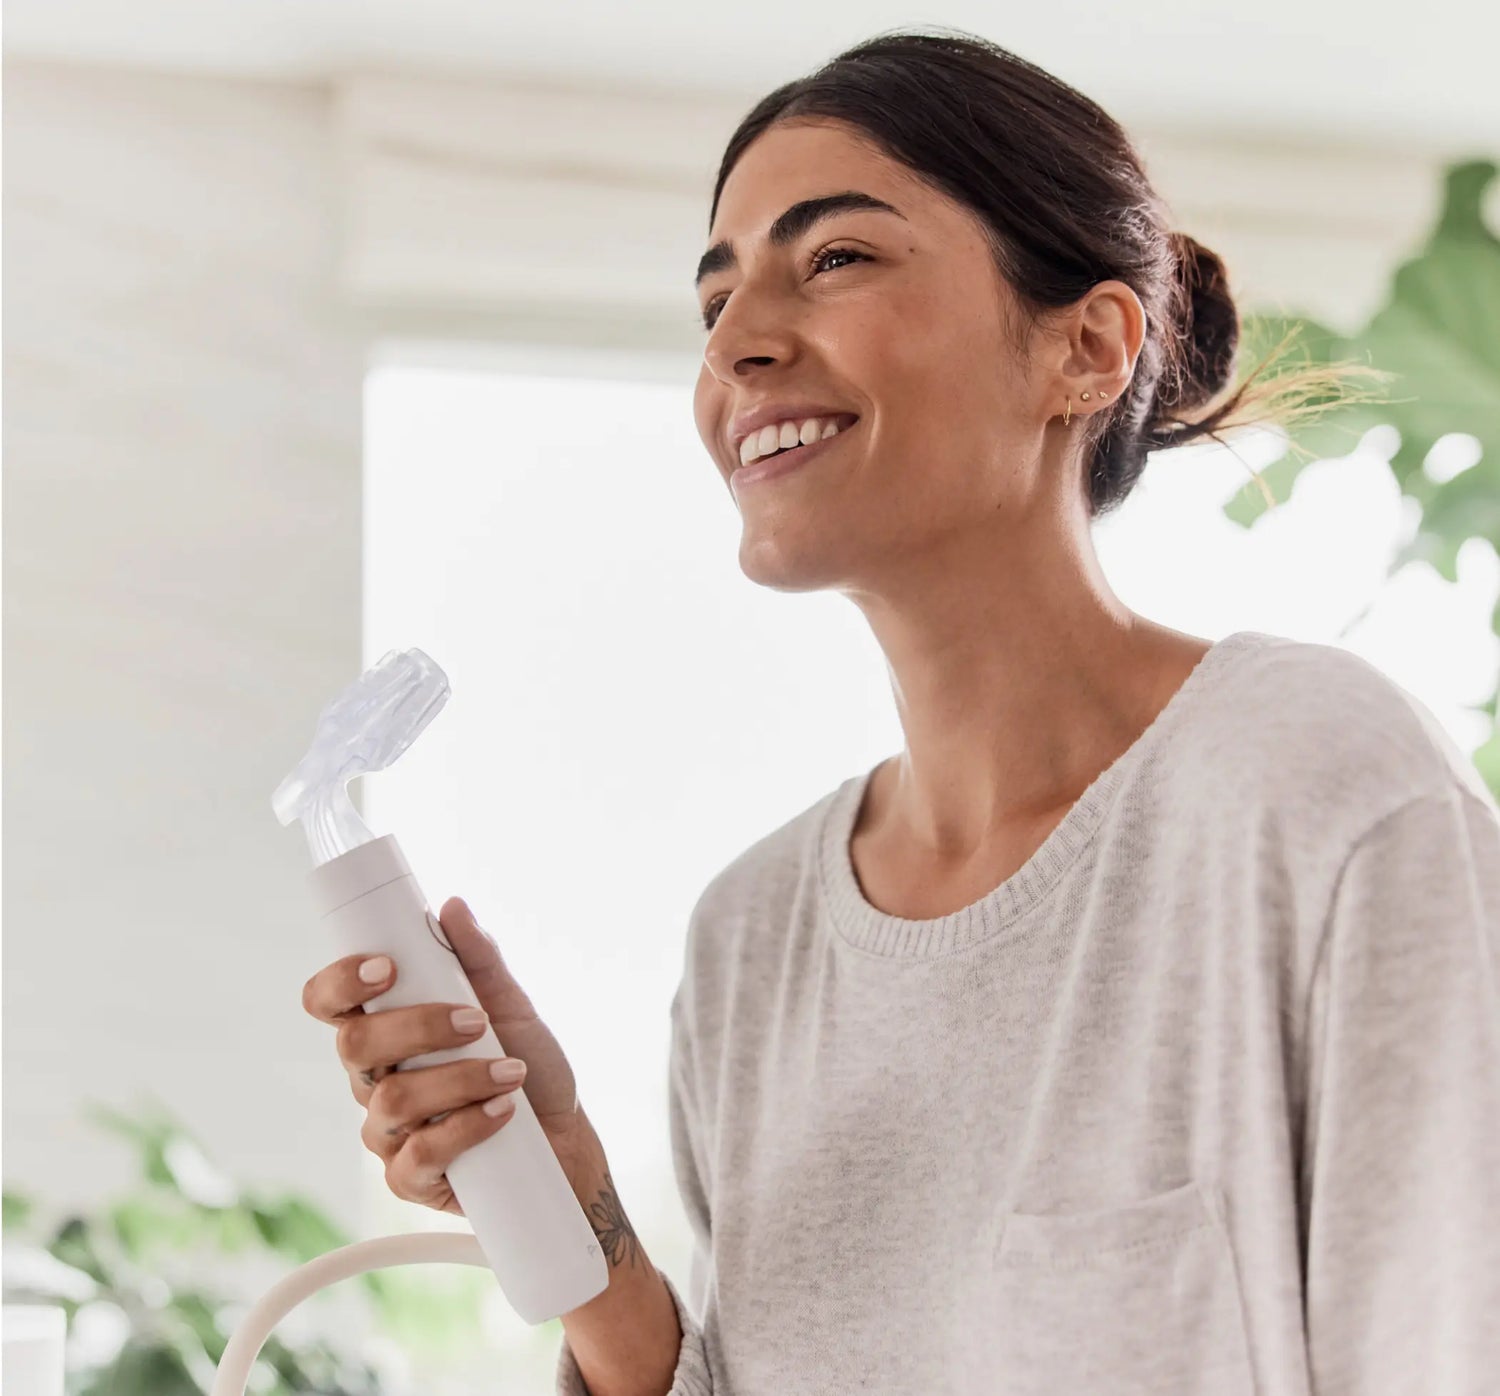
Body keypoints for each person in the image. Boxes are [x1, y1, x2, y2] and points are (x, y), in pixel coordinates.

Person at [300, 27, 1500, 1396]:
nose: (740, 347)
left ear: (1088, 348)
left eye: (836, 260)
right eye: (713, 302)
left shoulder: (1310, 790)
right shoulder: (754, 944)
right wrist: (579, 1212)